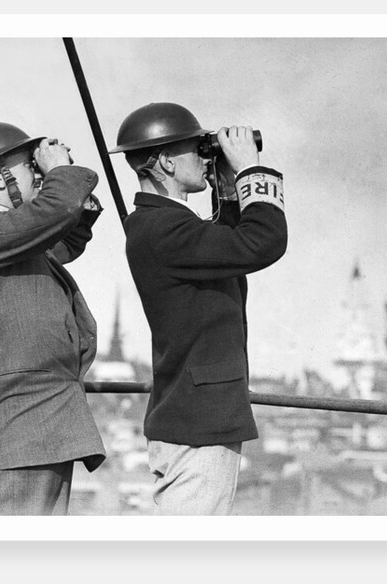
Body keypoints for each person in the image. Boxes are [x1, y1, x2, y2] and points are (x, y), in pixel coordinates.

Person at [110, 103, 288, 515]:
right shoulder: (162, 229)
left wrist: (227, 190)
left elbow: (225, 252)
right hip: (198, 427)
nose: (206, 157)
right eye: (198, 149)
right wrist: (249, 172)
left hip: (196, 417)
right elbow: (263, 242)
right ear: (167, 162)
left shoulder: (162, 225)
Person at [0, 122, 106, 515]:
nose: (37, 171)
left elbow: (62, 239)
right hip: (13, 436)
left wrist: (58, 180)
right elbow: (54, 215)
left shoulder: (7, 238)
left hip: (38, 431)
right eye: (29, 165)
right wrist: (62, 176)